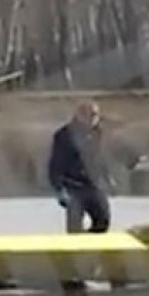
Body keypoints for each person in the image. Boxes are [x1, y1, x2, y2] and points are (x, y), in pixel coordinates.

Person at [47, 100, 113, 233]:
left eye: (96, 115)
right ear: (80, 115)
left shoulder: (98, 133)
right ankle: (76, 248)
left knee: (103, 220)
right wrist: (59, 188)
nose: (94, 119)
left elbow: (100, 158)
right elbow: (56, 164)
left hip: (94, 184)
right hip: (73, 186)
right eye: (91, 115)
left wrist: (107, 177)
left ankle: (94, 246)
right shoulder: (64, 135)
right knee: (75, 224)